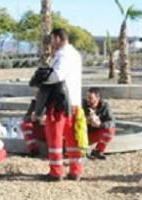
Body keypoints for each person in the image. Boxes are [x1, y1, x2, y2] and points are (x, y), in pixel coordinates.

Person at [41, 27, 83, 181]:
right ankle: (75, 170)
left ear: (58, 38)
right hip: (74, 102)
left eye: (52, 40)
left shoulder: (63, 54)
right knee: (73, 138)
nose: (51, 43)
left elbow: (58, 75)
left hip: (60, 103)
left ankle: (56, 172)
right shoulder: (75, 54)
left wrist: (42, 79)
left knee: (55, 137)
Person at [83, 88, 115, 160]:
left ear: (98, 98)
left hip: (94, 133)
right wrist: (85, 120)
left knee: (110, 130)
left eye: (90, 98)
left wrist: (100, 124)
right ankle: (81, 152)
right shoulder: (82, 104)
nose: (88, 100)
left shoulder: (105, 106)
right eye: (87, 97)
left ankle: (98, 151)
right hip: (81, 133)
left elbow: (112, 122)